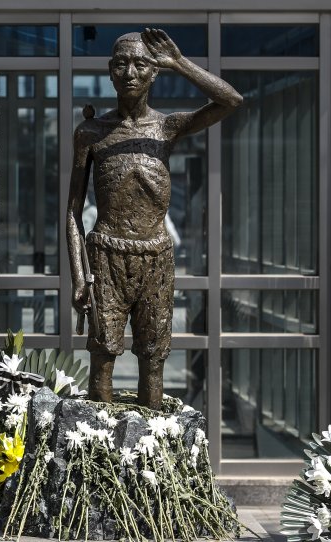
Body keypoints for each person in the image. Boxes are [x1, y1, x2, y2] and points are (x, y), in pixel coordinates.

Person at [66, 29, 242, 410]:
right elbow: (72, 213)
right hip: (106, 256)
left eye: (140, 64)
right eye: (120, 64)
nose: (130, 72)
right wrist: (79, 278)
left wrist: (180, 63)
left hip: (155, 257)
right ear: (110, 73)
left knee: (153, 359)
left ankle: (149, 458)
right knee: (102, 359)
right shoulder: (91, 133)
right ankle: (98, 451)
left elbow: (230, 99)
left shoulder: (166, 127)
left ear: (153, 72)